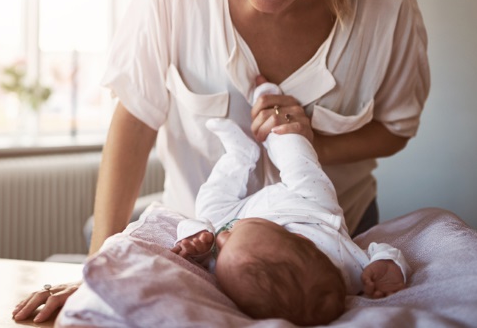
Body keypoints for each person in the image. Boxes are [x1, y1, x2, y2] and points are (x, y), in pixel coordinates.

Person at [12, 0, 429, 323]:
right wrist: (99, 272)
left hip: (331, 249)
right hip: (198, 240)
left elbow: (395, 129)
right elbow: (137, 118)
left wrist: (314, 141)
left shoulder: (389, 7)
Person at [170, 81, 409, 325]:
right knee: (298, 161)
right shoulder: (348, 268)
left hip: (244, 213)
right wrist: (388, 266)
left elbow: (202, 246)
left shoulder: (233, 269)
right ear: (301, 239)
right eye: (229, 239)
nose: (222, 238)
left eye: (221, 251)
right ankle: (274, 117)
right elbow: (379, 253)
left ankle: (239, 155)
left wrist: (195, 241)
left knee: (207, 208)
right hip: (310, 208)